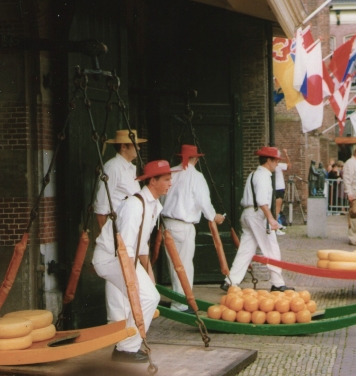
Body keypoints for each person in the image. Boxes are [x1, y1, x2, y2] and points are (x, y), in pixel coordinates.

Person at [92, 160, 178, 363]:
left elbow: (141, 245)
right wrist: (133, 280)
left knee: (150, 295)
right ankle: (125, 350)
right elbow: (127, 246)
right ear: (153, 181)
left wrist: (149, 273)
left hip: (123, 257)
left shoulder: (153, 204)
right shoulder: (134, 205)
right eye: (166, 179)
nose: (170, 183)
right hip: (110, 259)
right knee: (147, 297)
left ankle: (127, 346)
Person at [161, 145, 225, 313]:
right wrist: (214, 216)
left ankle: (179, 299)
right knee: (183, 266)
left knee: (174, 264)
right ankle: (180, 304)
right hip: (183, 225)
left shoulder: (170, 173)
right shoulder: (196, 176)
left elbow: (160, 197)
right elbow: (204, 202)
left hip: (167, 223)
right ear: (195, 159)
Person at [93, 129, 146, 326]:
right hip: (115, 229)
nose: (139, 148)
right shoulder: (113, 167)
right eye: (135, 145)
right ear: (124, 147)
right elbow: (100, 207)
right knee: (117, 274)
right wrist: (108, 236)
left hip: (129, 228)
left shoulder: (130, 168)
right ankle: (115, 323)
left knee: (127, 274)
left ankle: (126, 321)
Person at [222, 147, 293, 292]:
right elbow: (262, 201)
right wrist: (271, 219)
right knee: (271, 247)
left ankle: (230, 281)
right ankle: (278, 284)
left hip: (248, 214)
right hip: (257, 216)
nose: (277, 164)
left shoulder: (253, 174)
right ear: (268, 161)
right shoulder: (263, 176)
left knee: (246, 250)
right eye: (276, 161)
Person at [274, 149, 291, 235]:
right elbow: (289, 166)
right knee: (277, 209)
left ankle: (276, 224)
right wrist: (286, 154)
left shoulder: (274, 166)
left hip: (274, 189)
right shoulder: (279, 166)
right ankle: (275, 228)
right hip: (279, 189)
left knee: (275, 209)